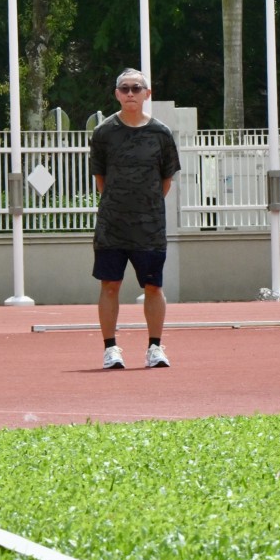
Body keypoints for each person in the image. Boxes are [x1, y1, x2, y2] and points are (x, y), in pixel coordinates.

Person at [89, 70, 181, 370]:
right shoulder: (104, 133)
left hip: (150, 226)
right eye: (125, 88)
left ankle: (155, 347)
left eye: (136, 88)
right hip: (112, 225)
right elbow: (100, 178)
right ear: (116, 94)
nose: (130, 93)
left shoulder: (161, 134)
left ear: (147, 94)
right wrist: (119, 202)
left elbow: (166, 178)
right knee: (110, 285)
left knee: (153, 287)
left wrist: (147, 204)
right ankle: (110, 349)